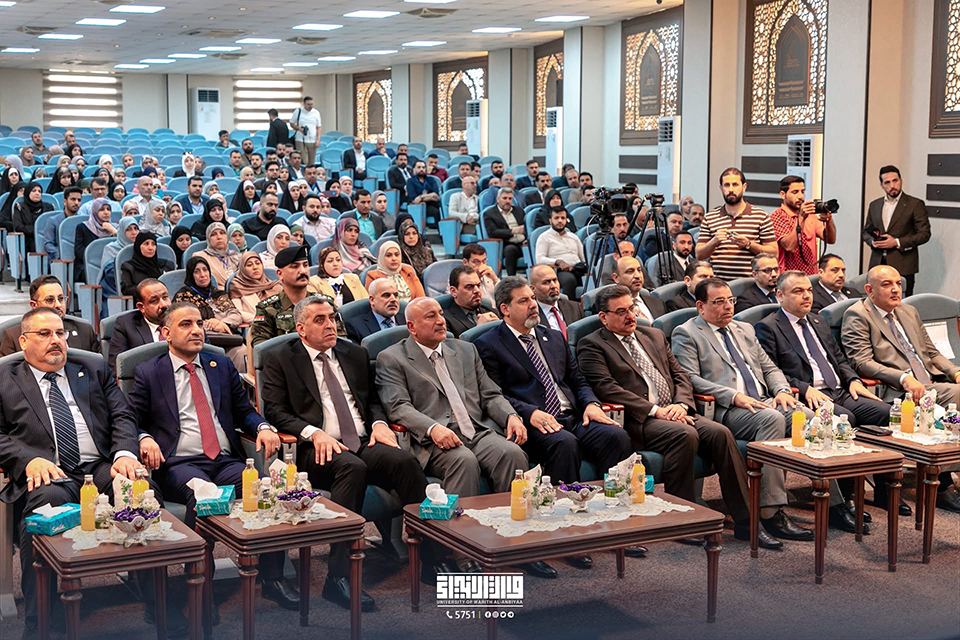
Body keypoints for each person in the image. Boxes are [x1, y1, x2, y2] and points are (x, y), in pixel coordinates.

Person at [0, 308, 173, 639]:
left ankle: (159, 602)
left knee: (140, 493)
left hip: (99, 466)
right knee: (42, 510)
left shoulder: (92, 368)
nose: (56, 340)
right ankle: (41, 621)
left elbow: (123, 415)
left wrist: (124, 454)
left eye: (60, 333)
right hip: (50, 472)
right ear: (23, 342)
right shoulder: (5, 377)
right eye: (45, 334)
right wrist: (27, 459)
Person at [128, 302, 300, 613]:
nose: (196, 330)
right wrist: (145, 437)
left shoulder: (219, 365)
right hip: (179, 463)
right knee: (203, 496)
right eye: (186, 325)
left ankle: (273, 577)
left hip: (224, 460)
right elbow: (132, 420)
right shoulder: (149, 371)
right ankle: (200, 588)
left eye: (199, 323)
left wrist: (262, 427)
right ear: (166, 333)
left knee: (266, 491)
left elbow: (244, 411)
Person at [261, 295, 431, 607]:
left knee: (405, 462)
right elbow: (275, 411)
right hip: (315, 449)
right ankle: (338, 576)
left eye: (332, 318)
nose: (330, 325)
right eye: (320, 320)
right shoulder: (280, 357)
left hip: (362, 441)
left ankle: (433, 557)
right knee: (352, 468)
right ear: (301, 328)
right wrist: (313, 433)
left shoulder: (354, 353)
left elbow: (372, 400)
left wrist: (379, 423)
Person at [577, 285, 770, 548]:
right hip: (640, 420)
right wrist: (657, 411)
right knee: (684, 434)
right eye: (621, 312)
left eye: (631, 308)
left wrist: (681, 404)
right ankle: (683, 520)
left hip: (676, 411)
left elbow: (680, 375)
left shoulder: (653, 335)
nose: (631, 316)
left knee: (721, 434)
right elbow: (607, 388)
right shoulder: (592, 345)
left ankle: (747, 523)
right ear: (603, 317)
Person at [474, 278, 633, 570]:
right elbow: (495, 395)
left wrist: (592, 404)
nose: (533, 305)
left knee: (615, 436)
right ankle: (566, 534)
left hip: (571, 415)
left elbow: (578, 380)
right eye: (523, 301)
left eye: (532, 298)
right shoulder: (488, 344)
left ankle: (614, 523)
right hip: (534, 423)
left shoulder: (554, 337)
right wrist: (529, 413)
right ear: (505, 309)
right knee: (564, 444)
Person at [671, 278, 821, 542]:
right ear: (701, 306)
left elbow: (770, 368)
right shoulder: (687, 333)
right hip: (725, 408)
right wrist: (734, 396)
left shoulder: (744, 329)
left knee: (805, 416)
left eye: (730, 300)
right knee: (772, 419)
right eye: (719, 302)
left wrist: (782, 391)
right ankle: (769, 512)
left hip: (762, 400)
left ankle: (833, 503)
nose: (728, 307)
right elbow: (689, 378)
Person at [757, 271, 899, 521]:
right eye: (798, 291)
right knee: (844, 420)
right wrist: (803, 388)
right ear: (780, 295)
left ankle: (884, 491)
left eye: (809, 290)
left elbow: (840, 360)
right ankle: (843, 500)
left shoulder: (818, 321)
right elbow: (771, 371)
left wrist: (854, 380)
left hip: (839, 390)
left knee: (886, 413)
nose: (806, 296)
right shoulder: (769, 327)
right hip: (809, 396)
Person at [375, 295, 528, 508]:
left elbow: (490, 394)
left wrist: (510, 416)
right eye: (430, 316)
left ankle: (510, 522)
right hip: (432, 441)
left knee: (512, 454)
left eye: (441, 314)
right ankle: (460, 526)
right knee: (463, 461)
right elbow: (398, 407)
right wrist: (433, 428)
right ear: (411, 327)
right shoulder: (392, 358)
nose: (440, 321)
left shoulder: (465, 350)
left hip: (477, 431)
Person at [841, 265, 960, 510]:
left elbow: (931, 352)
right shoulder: (858, 315)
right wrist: (903, 377)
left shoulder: (908, 311)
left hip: (930, 383)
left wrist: (955, 371)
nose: (896, 289)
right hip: (896, 389)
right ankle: (943, 484)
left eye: (898, 283)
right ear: (869, 290)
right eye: (887, 284)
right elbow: (861, 362)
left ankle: (944, 476)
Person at [695, 168, 777, 280]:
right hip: (719, 284)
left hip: (750, 283)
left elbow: (774, 253)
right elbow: (699, 255)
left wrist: (748, 244)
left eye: (735, 185)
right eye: (726, 185)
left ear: (744, 187)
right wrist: (714, 241)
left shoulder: (761, 216)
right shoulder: (710, 218)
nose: (731, 189)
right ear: (721, 188)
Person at [862, 166, 930, 297]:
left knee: (901, 302)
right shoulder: (875, 205)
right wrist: (872, 242)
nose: (892, 186)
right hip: (877, 262)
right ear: (881, 185)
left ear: (901, 180)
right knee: (875, 299)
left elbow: (924, 234)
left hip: (903, 263)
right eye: (887, 182)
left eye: (895, 180)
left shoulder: (914, 204)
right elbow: (866, 232)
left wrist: (897, 242)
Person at [0, 275, 100, 356]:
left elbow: (98, 369)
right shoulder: (13, 337)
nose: (58, 305)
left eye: (61, 298)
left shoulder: (84, 331)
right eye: (50, 300)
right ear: (34, 305)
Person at [769, 175, 836, 274]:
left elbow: (830, 239)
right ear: (783, 195)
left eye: (803, 192)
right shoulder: (777, 216)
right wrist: (801, 218)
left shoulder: (810, 215)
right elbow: (789, 247)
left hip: (811, 276)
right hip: (788, 277)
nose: (801, 196)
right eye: (795, 192)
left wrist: (829, 221)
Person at [250, 245, 312, 346]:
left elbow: (338, 341)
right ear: (280, 274)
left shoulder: (324, 304)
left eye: (305, 265)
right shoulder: (267, 309)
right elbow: (262, 349)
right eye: (295, 266)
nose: (303, 271)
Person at [108, 278, 170, 374]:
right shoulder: (126, 325)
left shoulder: (181, 321)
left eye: (165, 297)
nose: (163, 305)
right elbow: (117, 368)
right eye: (154, 301)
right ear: (141, 307)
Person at [534, 208, 584, 299]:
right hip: (559, 271)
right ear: (550, 221)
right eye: (556, 218)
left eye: (562, 218)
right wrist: (558, 262)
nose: (560, 220)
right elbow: (539, 259)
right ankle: (568, 307)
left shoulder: (574, 237)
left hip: (578, 269)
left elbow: (583, 258)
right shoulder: (544, 237)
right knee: (569, 280)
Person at [529, 265, 583, 337]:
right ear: (533, 289)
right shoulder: (530, 316)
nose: (553, 286)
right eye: (546, 282)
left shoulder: (575, 308)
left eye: (555, 280)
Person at [444, 266, 498, 338]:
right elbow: (451, 345)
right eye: (469, 287)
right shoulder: (445, 320)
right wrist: (479, 329)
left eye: (478, 285)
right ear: (454, 291)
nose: (477, 290)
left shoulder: (491, 311)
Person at [483, 187, 527, 276]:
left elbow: (527, 228)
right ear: (497, 199)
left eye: (510, 199)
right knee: (510, 250)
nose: (507, 201)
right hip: (506, 244)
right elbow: (493, 232)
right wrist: (512, 231)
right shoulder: (489, 214)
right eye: (504, 198)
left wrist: (527, 239)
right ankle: (512, 278)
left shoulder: (519, 210)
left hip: (523, 242)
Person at [344, 278, 403, 343]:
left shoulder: (406, 320)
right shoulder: (356, 326)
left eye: (396, 295)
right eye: (386, 295)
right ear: (372, 300)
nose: (393, 299)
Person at [120, 232, 175, 297]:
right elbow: (127, 290)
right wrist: (150, 290)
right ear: (138, 246)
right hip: (141, 301)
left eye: (153, 244)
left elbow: (173, 286)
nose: (150, 248)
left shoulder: (166, 265)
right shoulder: (129, 267)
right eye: (146, 244)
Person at [73, 198, 117, 281]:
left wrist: (114, 232)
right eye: (102, 209)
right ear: (95, 211)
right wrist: (97, 258)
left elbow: (122, 246)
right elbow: (79, 251)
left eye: (108, 209)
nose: (106, 212)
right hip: (86, 264)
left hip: (109, 265)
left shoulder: (114, 228)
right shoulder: (83, 227)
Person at [12, 181, 54, 253]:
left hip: (47, 239)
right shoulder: (20, 207)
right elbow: (18, 227)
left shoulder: (49, 207)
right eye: (34, 191)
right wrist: (37, 231)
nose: (37, 193)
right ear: (28, 192)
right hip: (28, 239)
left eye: (39, 191)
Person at [43, 186, 83, 260]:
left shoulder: (82, 222)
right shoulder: (53, 221)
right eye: (73, 199)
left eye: (79, 200)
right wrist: (60, 256)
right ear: (65, 202)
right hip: (59, 260)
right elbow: (48, 244)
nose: (76, 203)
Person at [198, 222, 241, 287]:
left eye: (222, 233)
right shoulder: (201, 257)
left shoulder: (236, 256)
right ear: (208, 239)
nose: (219, 237)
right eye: (213, 234)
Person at [290, 95, 322, 165]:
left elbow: (319, 127)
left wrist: (318, 140)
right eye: (308, 104)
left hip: (312, 140)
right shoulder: (298, 111)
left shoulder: (316, 112)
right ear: (304, 104)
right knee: (304, 160)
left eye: (311, 104)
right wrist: (299, 128)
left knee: (311, 162)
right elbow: (292, 123)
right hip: (300, 139)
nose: (310, 106)